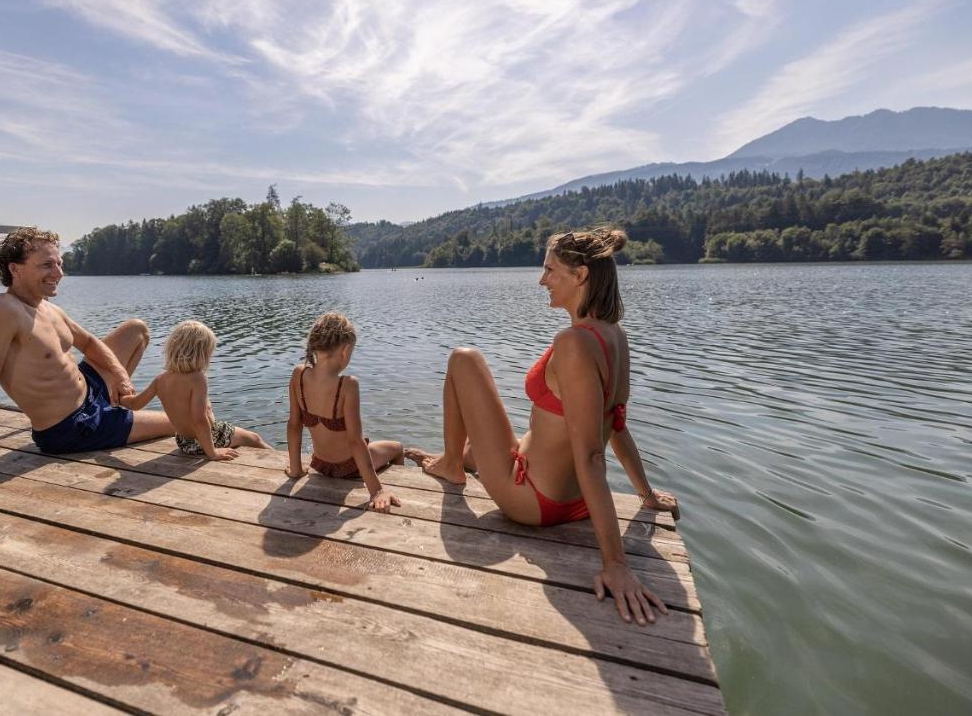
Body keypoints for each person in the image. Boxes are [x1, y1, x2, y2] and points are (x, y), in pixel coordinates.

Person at [404, 227, 678, 625]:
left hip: (535, 501)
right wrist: (646, 493)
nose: (541, 280)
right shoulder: (614, 336)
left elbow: (589, 456)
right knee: (479, 450)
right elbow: (615, 426)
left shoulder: (573, 344)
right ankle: (462, 459)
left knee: (464, 359)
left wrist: (616, 564)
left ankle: (451, 467)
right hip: (576, 501)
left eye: (550, 270)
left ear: (579, 275)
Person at [0, 227, 177, 493]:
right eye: (47, 265)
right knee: (188, 421)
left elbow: (89, 343)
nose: (59, 273)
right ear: (15, 269)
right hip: (74, 426)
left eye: (59, 263)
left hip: (92, 392)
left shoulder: (47, 307)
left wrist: (120, 376)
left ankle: (116, 406)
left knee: (136, 330)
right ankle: (116, 422)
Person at [285, 312, 403, 513]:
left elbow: (294, 425)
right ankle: (402, 483)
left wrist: (296, 470)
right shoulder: (348, 385)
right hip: (351, 467)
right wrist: (376, 491)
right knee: (398, 448)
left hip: (321, 465)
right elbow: (355, 441)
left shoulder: (299, 374)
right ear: (345, 351)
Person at [120, 319, 270, 460]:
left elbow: (135, 404)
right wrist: (212, 453)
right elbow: (199, 419)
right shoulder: (197, 379)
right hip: (209, 438)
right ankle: (282, 459)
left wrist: (121, 397)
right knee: (253, 438)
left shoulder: (161, 379)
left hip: (185, 443)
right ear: (201, 354)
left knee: (237, 436)